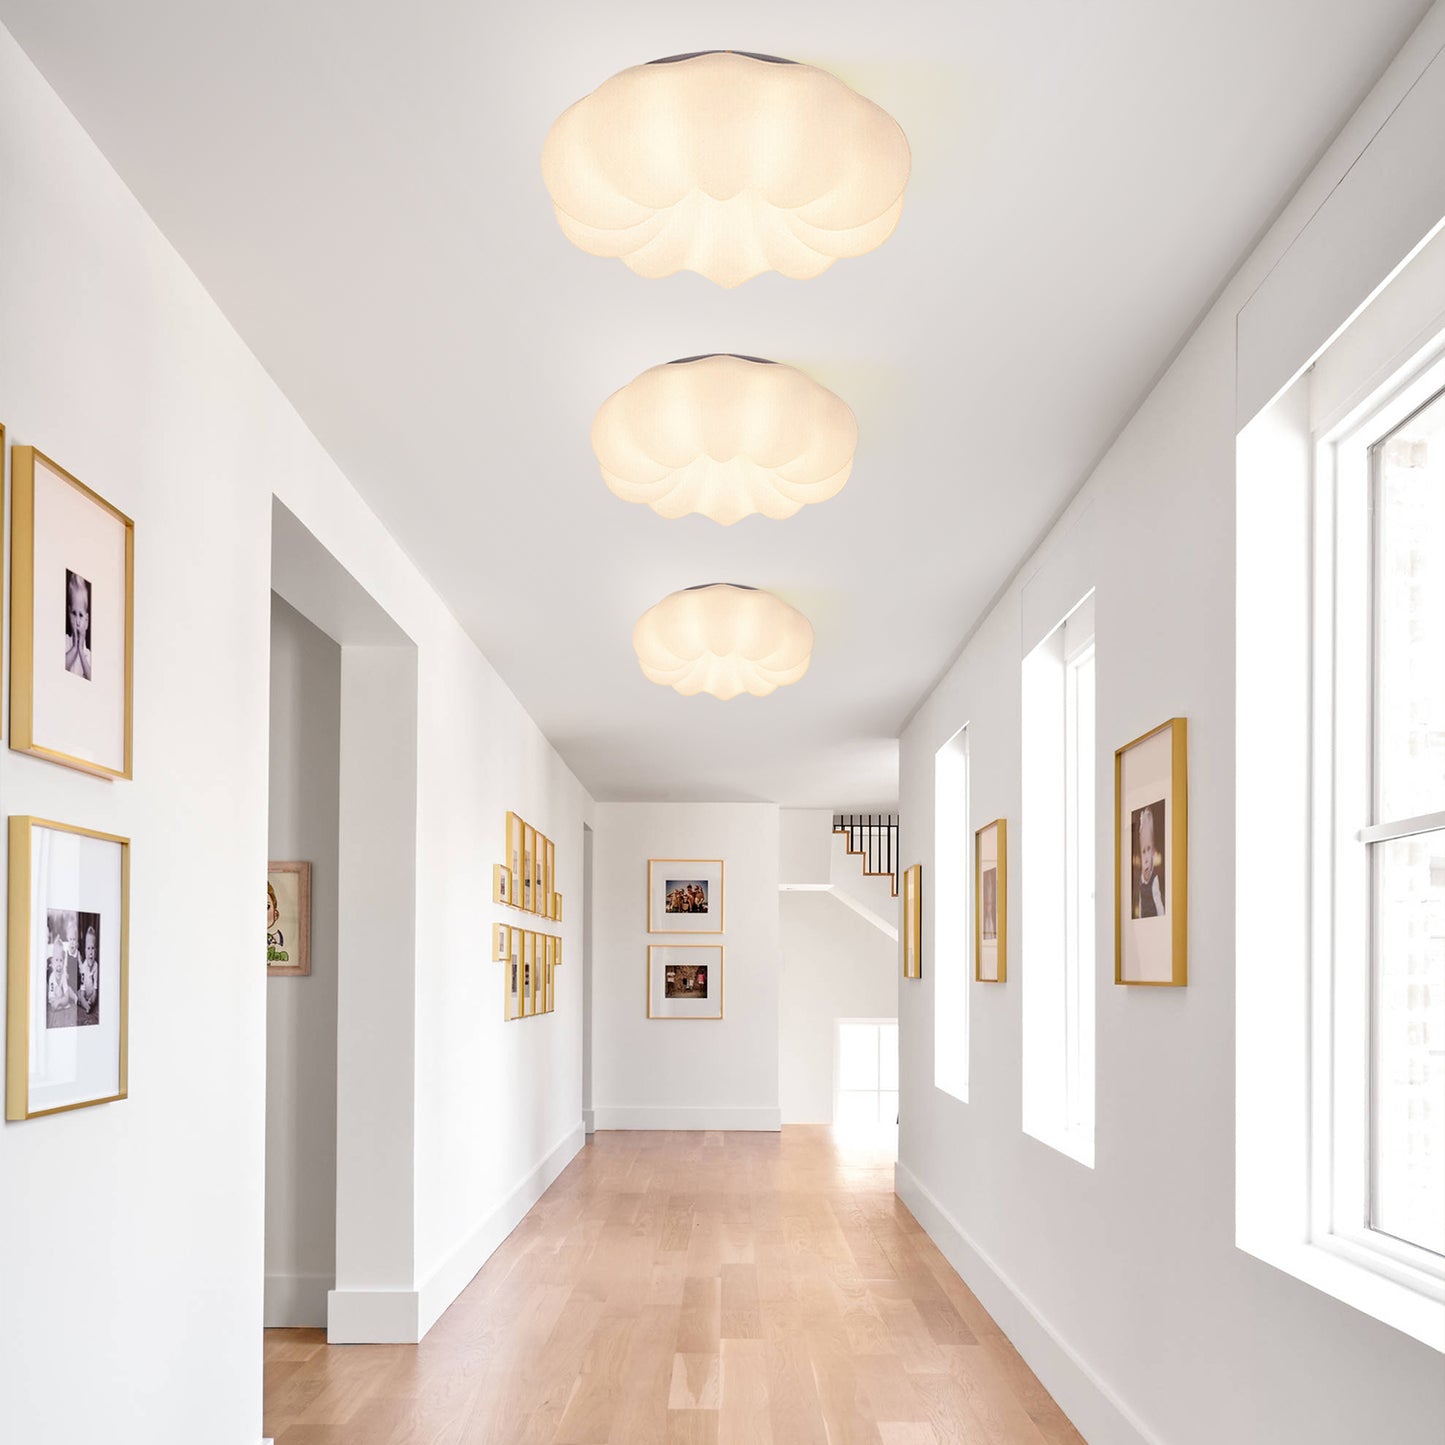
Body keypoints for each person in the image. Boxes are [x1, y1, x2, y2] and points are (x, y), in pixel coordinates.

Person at [1136, 804, 1165, 918]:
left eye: (1149, 850)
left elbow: (1159, 905)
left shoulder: (1154, 880)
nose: (1147, 857)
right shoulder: (1140, 881)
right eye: (1143, 851)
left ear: (1153, 853)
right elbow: (1140, 903)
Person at [66, 572, 92, 680]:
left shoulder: (88, 654)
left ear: (86, 621)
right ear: (68, 612)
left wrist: (80, 651)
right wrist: (74, 648)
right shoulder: (65, 641)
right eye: (73, 613)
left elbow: (90, 677)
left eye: (80, 615)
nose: (77, 621)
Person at [78, 925, 99, 1016]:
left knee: (95, 998)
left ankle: (89, 1004)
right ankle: (86, 1006)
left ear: (96, 951)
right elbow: (82, 991)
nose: (90, 952)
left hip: (91, 994)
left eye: (93, 948)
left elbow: (95, 990)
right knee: (78, 994)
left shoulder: (96, 966)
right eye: (88, 948)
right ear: (85, 951)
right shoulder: (83, 967)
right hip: (83, 993)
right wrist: (84, 1001)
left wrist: (92, 1000)